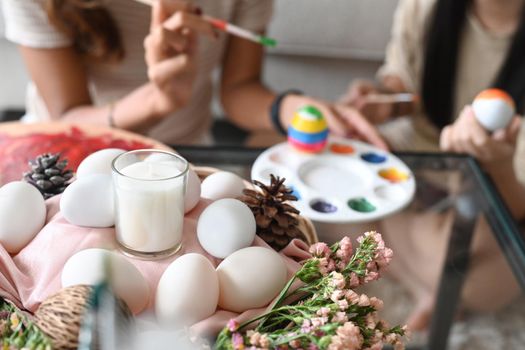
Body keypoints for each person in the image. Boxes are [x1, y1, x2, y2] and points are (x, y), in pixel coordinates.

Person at [339, 0, 525, 330]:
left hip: (500, 196)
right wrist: (384, 102)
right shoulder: (425, 7)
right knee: (311, 166)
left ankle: (410, 257)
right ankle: (430, 286)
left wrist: (496, 165)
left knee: (469, 263)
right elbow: (405, 87)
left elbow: (516, 206)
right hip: (419, 162)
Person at [1, 0, 386, 148]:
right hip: (68, 147)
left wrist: (288, 107)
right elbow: (68, 116)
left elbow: (239, 88)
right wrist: (156, 100)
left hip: (184, 152)